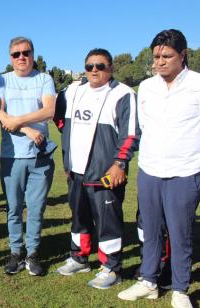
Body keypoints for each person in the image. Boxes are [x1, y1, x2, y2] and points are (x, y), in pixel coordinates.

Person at [118, 29, 200, 308]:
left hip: (185, 171)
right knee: (150, 230)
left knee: (181, 234)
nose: (160, 62)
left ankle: (180, 289)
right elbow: (140, 129)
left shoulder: (197, 85)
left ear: (183, 55)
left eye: (167, 56)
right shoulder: (147, 88)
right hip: (150, 170)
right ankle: (149, 282)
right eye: (156, 57)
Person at [53, 48, 139, 289]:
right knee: (78, 217)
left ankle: (111, 268)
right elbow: (58, 117)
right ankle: (79, 257)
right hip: (75, 171)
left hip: (105, 173)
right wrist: (69, 149)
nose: (94, 70)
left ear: (110, 68)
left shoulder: (123, 94)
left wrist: (119, 163)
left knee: (107, 221)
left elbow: (130, 134)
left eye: (100, 66)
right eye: (89, 66)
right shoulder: (72, 90)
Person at [0, 37, 57, 276]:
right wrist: (29, 129)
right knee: (14, 208)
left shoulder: (44, 79)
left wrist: (18, 120)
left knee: (37, 208)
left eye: (25, 52)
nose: (21, 57)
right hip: (11, 157)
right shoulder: (2, 80)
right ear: (10, 57)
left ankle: (32, 253)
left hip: (40, 157)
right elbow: (0, 116)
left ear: (33, 54)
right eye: (16, 54)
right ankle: (15, 252)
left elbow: (49, 110)